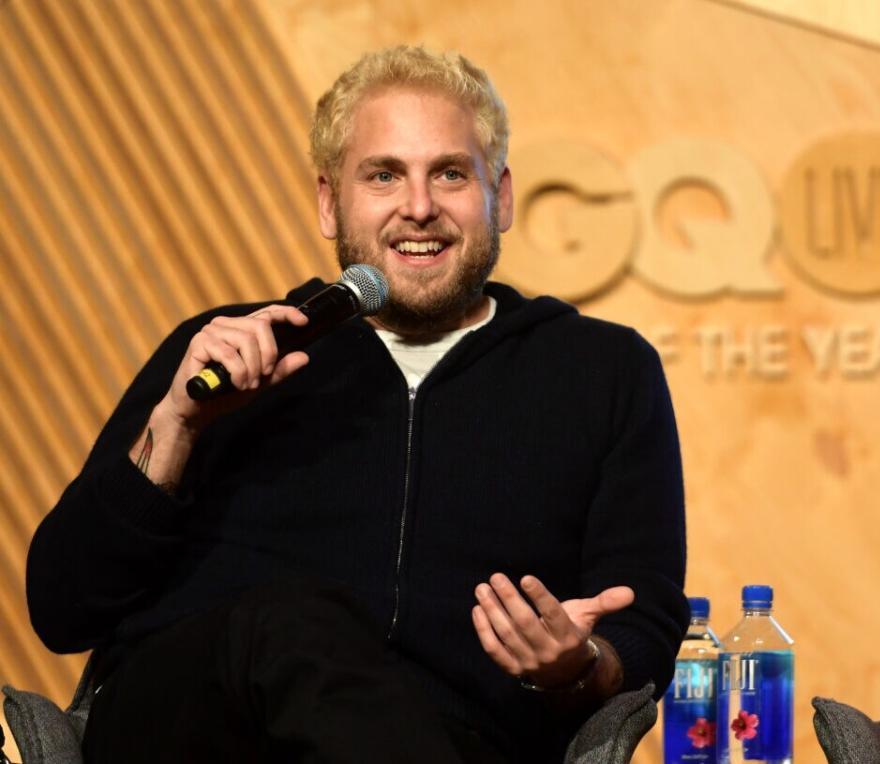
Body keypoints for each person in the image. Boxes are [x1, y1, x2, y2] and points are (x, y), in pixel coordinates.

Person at [26, 46, 687, 763]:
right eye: (383, 175)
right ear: (327, 200)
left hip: (458, 738)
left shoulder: (601, 371)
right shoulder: (226, 353)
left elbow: (641, 618)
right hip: (201, 729)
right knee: (287, 623)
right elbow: (63, 608)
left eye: (450, 174)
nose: (419, 207)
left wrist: (582, 662)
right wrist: (176, 426)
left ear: (502, 195)